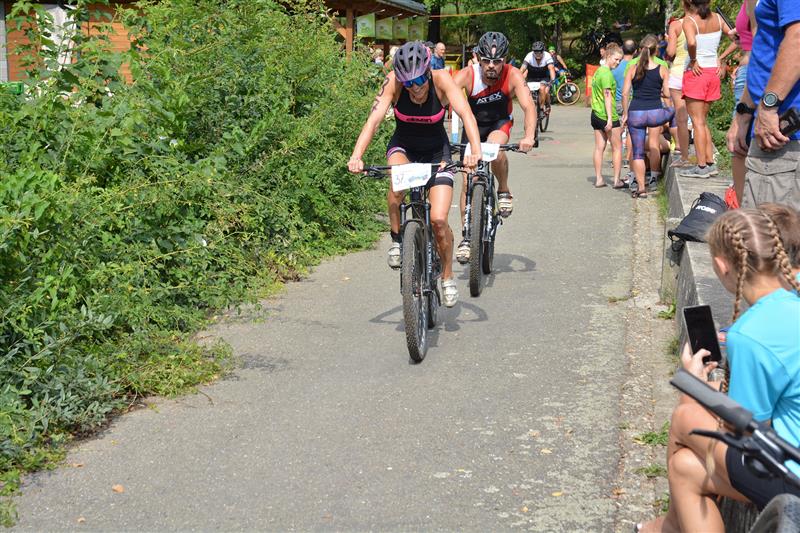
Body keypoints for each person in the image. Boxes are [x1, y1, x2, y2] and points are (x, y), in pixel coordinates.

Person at [636, 208, 800, 533]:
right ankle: (669, 527)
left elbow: (742, 432)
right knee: (685, 467)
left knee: (686, 414)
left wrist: (699, 389)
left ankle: (669, 527)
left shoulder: (752, 334)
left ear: (721, 266)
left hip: (790, 472)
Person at [348, 41, 483, 307]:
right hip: (404, 147)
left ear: (427, 71)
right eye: (408, 82)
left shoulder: (442, 79)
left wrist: (474, 151)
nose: (415, 87)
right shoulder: (393, 83)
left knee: (439, 220)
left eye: (420, 79)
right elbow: (373, 121)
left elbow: (466, 114)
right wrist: (356, 156)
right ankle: (398, 239)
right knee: (397, 189)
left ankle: (446, 276)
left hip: (437, 153)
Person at [452, 31, 537, 262]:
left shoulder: (513, 75)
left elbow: (529, 107)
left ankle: (503, 189)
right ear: (478, 58)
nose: (491, 66)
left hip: (500, 124)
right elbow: (442, 97)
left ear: (505, 60)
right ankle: (467, 236)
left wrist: (529, 136)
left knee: (495, 149)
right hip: (472, 128)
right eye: (486, 61)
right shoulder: (467, 75)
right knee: (468, 179)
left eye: (497, 61)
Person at [727, 0, 800, 211]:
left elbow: (797, 39)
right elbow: (764, 51)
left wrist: (768, 107)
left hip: (785, 132)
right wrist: (744, 113)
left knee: (771, 234)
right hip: (774, 124)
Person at [679, 0, 733, 179]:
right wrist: (722, 58)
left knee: (697, 121)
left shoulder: (689, 21)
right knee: (703, 120)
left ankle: (701, 166)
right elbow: (738, 39)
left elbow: (692, 42)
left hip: (697, 73)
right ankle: (709, 162)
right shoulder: (718, 18)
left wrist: (693, 60)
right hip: (713, 73)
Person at [622, 35, 676, 198]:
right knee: (676, 113)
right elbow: (667, 93)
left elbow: (625, 93)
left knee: (637, 151)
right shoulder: (662, 68)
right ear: (656, 50)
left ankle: (641, 188)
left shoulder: (632, 68)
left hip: (636, 113)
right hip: (655, 114)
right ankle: (677, 144)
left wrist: (625, 114)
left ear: (640, 49)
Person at [590, 43, 625, 188]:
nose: (617, 63)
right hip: (607, 116)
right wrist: (610, 118)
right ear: (608, 56)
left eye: (619, 60)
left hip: (596, 114)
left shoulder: (598, 72)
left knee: (599, 147)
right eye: (616, 59)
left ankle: (599, 178)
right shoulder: (606, 74)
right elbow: (607, 96)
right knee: (617, 147)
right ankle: (617, 180)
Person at [666, 15, 691, 168]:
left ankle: (684, 156)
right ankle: (707, 158)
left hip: (679, 72)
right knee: (700, 119)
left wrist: (669, 39)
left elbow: (671, 51)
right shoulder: (708, 20)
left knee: (681, 118)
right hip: (699, 71)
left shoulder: (676, 24)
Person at [520, 41, 556, 118]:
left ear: (543, 51)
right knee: (526, 89)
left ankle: (541, 108)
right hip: (532, 77)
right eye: (536, 52)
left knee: (543, 89)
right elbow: (522, 69)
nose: (538, 54)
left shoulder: (547, 56)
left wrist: (552, 80)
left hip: (543, 77)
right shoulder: (529, 56)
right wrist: (519, 78)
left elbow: (551, 69)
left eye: (540, 52)